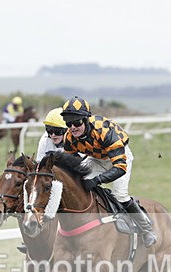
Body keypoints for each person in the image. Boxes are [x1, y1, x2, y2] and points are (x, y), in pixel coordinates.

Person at [60, 95, 157, 247]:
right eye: (69, 123)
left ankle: (147, 228)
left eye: (77, 122)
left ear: (86, 119)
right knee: (77, 185)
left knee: (120, 195)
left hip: (119, 157)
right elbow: (70, 168)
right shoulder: (69, 137)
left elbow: (119, 168)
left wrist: (97, 180)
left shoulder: (104, 131)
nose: (73, 127)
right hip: (96, 158)